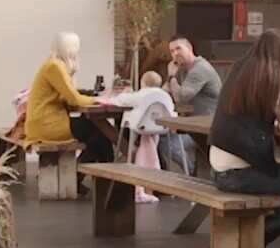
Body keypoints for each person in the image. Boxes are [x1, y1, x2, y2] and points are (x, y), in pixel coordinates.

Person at [209, 29, 280, 246]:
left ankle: (275, 223)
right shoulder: (272, 78)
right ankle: (258, 238)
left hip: (218, 169)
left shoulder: (238, 70)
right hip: (241, 174)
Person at [26, 32, 114, 176]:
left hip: (48, 122)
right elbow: (74, 99)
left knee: (97, 133)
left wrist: (72, 72)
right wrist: (98, 100)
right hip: (48, 124)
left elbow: (69, 96)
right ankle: (105, 178)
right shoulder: (54, 67)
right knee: (100, 135)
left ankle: (82, 177)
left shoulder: (55, 65)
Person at [161, 36, 222, 174]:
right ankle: (191, 172)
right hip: (195, 124)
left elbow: (181, 97)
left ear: (190, 49)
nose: (175, 54)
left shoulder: (200, 69)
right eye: (172, 51)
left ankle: (190, 171)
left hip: (210, 126)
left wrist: (171, 76)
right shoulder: (182, 69)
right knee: (160, 138)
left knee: (166, 142)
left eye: (178, 48)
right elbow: (165, 90)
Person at [110, 71, 172, 203]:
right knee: (150, 140)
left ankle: (140, 184)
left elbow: (120, 101)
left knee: (129, 131)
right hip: (161, 128)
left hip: (140, 127)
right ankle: (152, 185)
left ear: (142, 83)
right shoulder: (165, 96)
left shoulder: (141, 94)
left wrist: (125, 93)